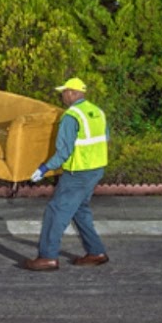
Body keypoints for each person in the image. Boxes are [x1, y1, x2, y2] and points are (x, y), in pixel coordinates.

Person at [24, 77, 109, 271]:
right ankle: (96, 252)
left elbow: (64, 151)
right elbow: (105, 138)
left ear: (72, 92)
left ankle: (47, 257)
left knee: (55, 211)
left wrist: (43, 169)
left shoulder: (71, 116)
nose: (62, 96)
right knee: (80, 209)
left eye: (64, 92)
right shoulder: (97, 112)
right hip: (96, 169)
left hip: (78, 172)